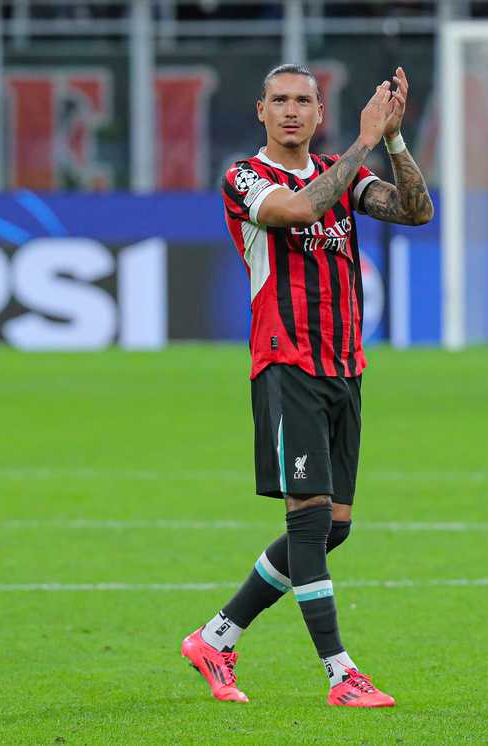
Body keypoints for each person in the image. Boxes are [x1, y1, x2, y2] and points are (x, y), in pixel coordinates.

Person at [180, 64, 433, 708]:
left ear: (320, 113)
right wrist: (363, 143)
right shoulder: (243, 178)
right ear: (261, 111)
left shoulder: (342, 174)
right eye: (280, 101)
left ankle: (215, 638)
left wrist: (395, 140)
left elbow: (416, 210)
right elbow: (297, 210)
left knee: (333, 528)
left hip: (345, 367)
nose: (292, 111)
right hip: (286, 362)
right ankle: (340, 674)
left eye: (304, 101)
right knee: (309, 518)